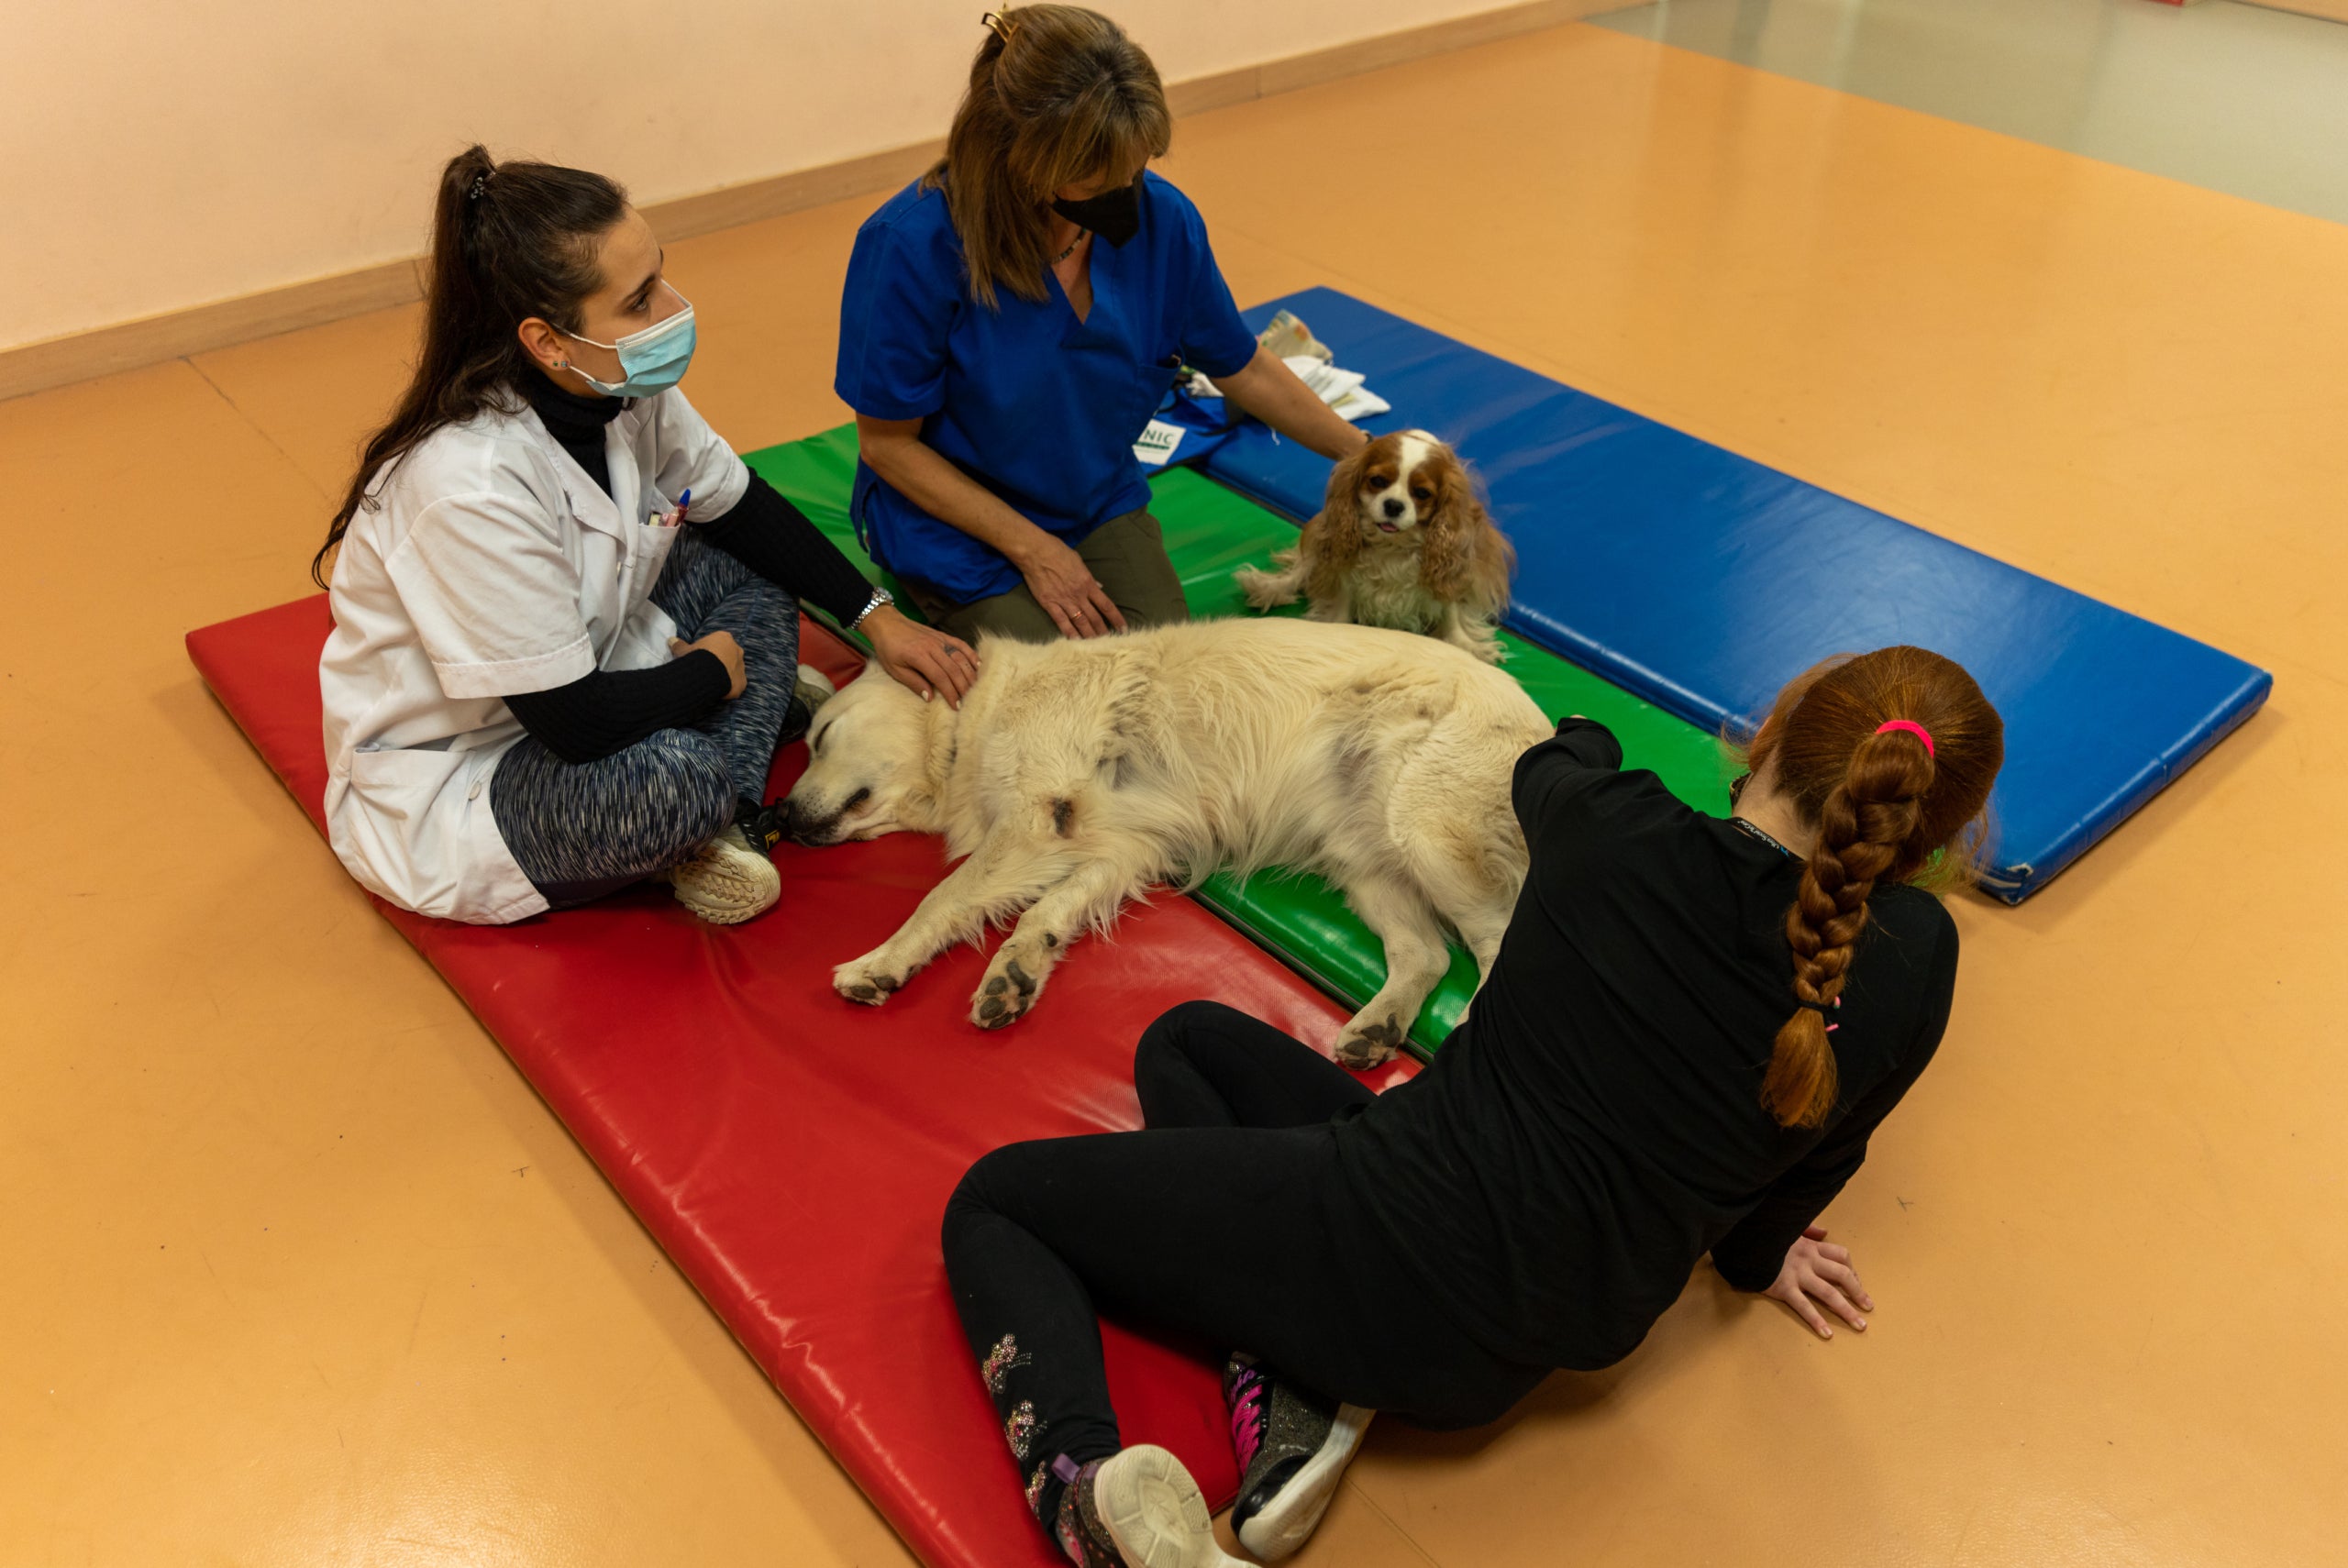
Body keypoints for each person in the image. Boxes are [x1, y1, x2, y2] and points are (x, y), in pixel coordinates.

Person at [942, 646, 2005, 1567]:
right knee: (1190, 1042)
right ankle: (1294, 1373)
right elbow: (1822, 1155)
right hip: (1535, 1340)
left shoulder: (1611, 823)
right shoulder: (1919, 957)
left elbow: (1554, 758)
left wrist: (1586, 729)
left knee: (996, 1201)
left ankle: (1079, 1497)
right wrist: (1758, 1260)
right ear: (1932, 841)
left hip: (1387, 1234)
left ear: (1766, 736)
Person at [316, 147, 978, 927]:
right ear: (547, 341)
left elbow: (741, 507)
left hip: (595, 665)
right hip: (469, 774)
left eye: (659, 277)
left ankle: (723, 815)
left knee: (751, 567)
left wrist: (876, 616)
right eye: (638, 302)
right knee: (677, 780)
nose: (670, 309)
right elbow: (576, 723)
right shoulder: (469, 486)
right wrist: (709, 675)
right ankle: (716, 798)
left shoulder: (617, 390)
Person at [835, 6, 1368, 646]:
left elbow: (1243, 365)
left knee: (1164, 657)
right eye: (1101, 180)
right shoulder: (910, 246)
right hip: (949, 523)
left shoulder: (1163, 221)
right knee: (1062, 678)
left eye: (1137, 168)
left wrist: (1367, 457)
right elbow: (888, 445)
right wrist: (1034, 550)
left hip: (1087, 499)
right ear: (1024, 158)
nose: (1129, 192)